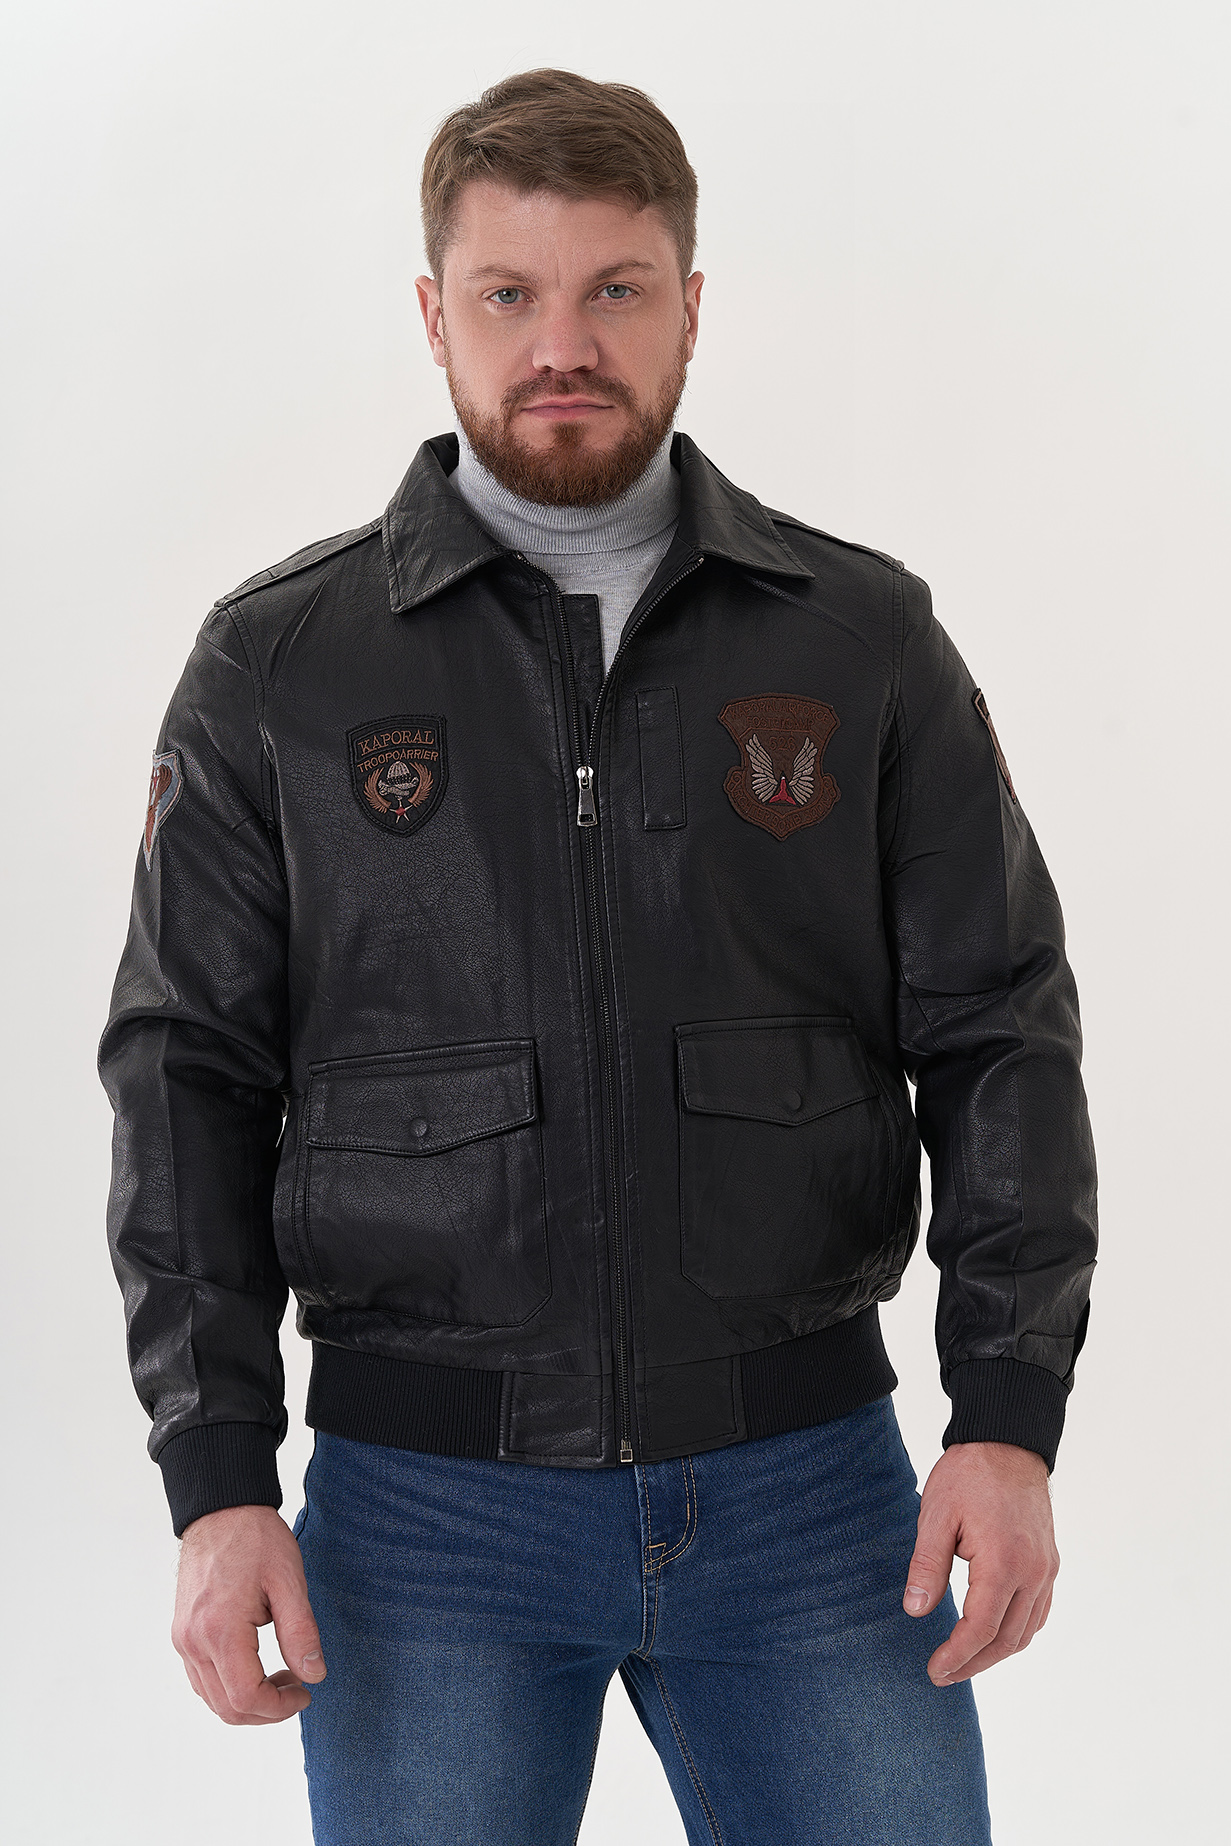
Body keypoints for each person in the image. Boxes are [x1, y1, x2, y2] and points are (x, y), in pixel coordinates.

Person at [99, 67, 1098, 1846]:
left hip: (813, 1495)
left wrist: (1008, 1413)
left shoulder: (863, 639)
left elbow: (1000, 1026)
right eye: (510, 294)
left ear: (691, 307)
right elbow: (188, 1079)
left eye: (615, 290)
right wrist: (215, 1475)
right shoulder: (281, 668)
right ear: (435, 316)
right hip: (426, 1517)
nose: (562, 344)